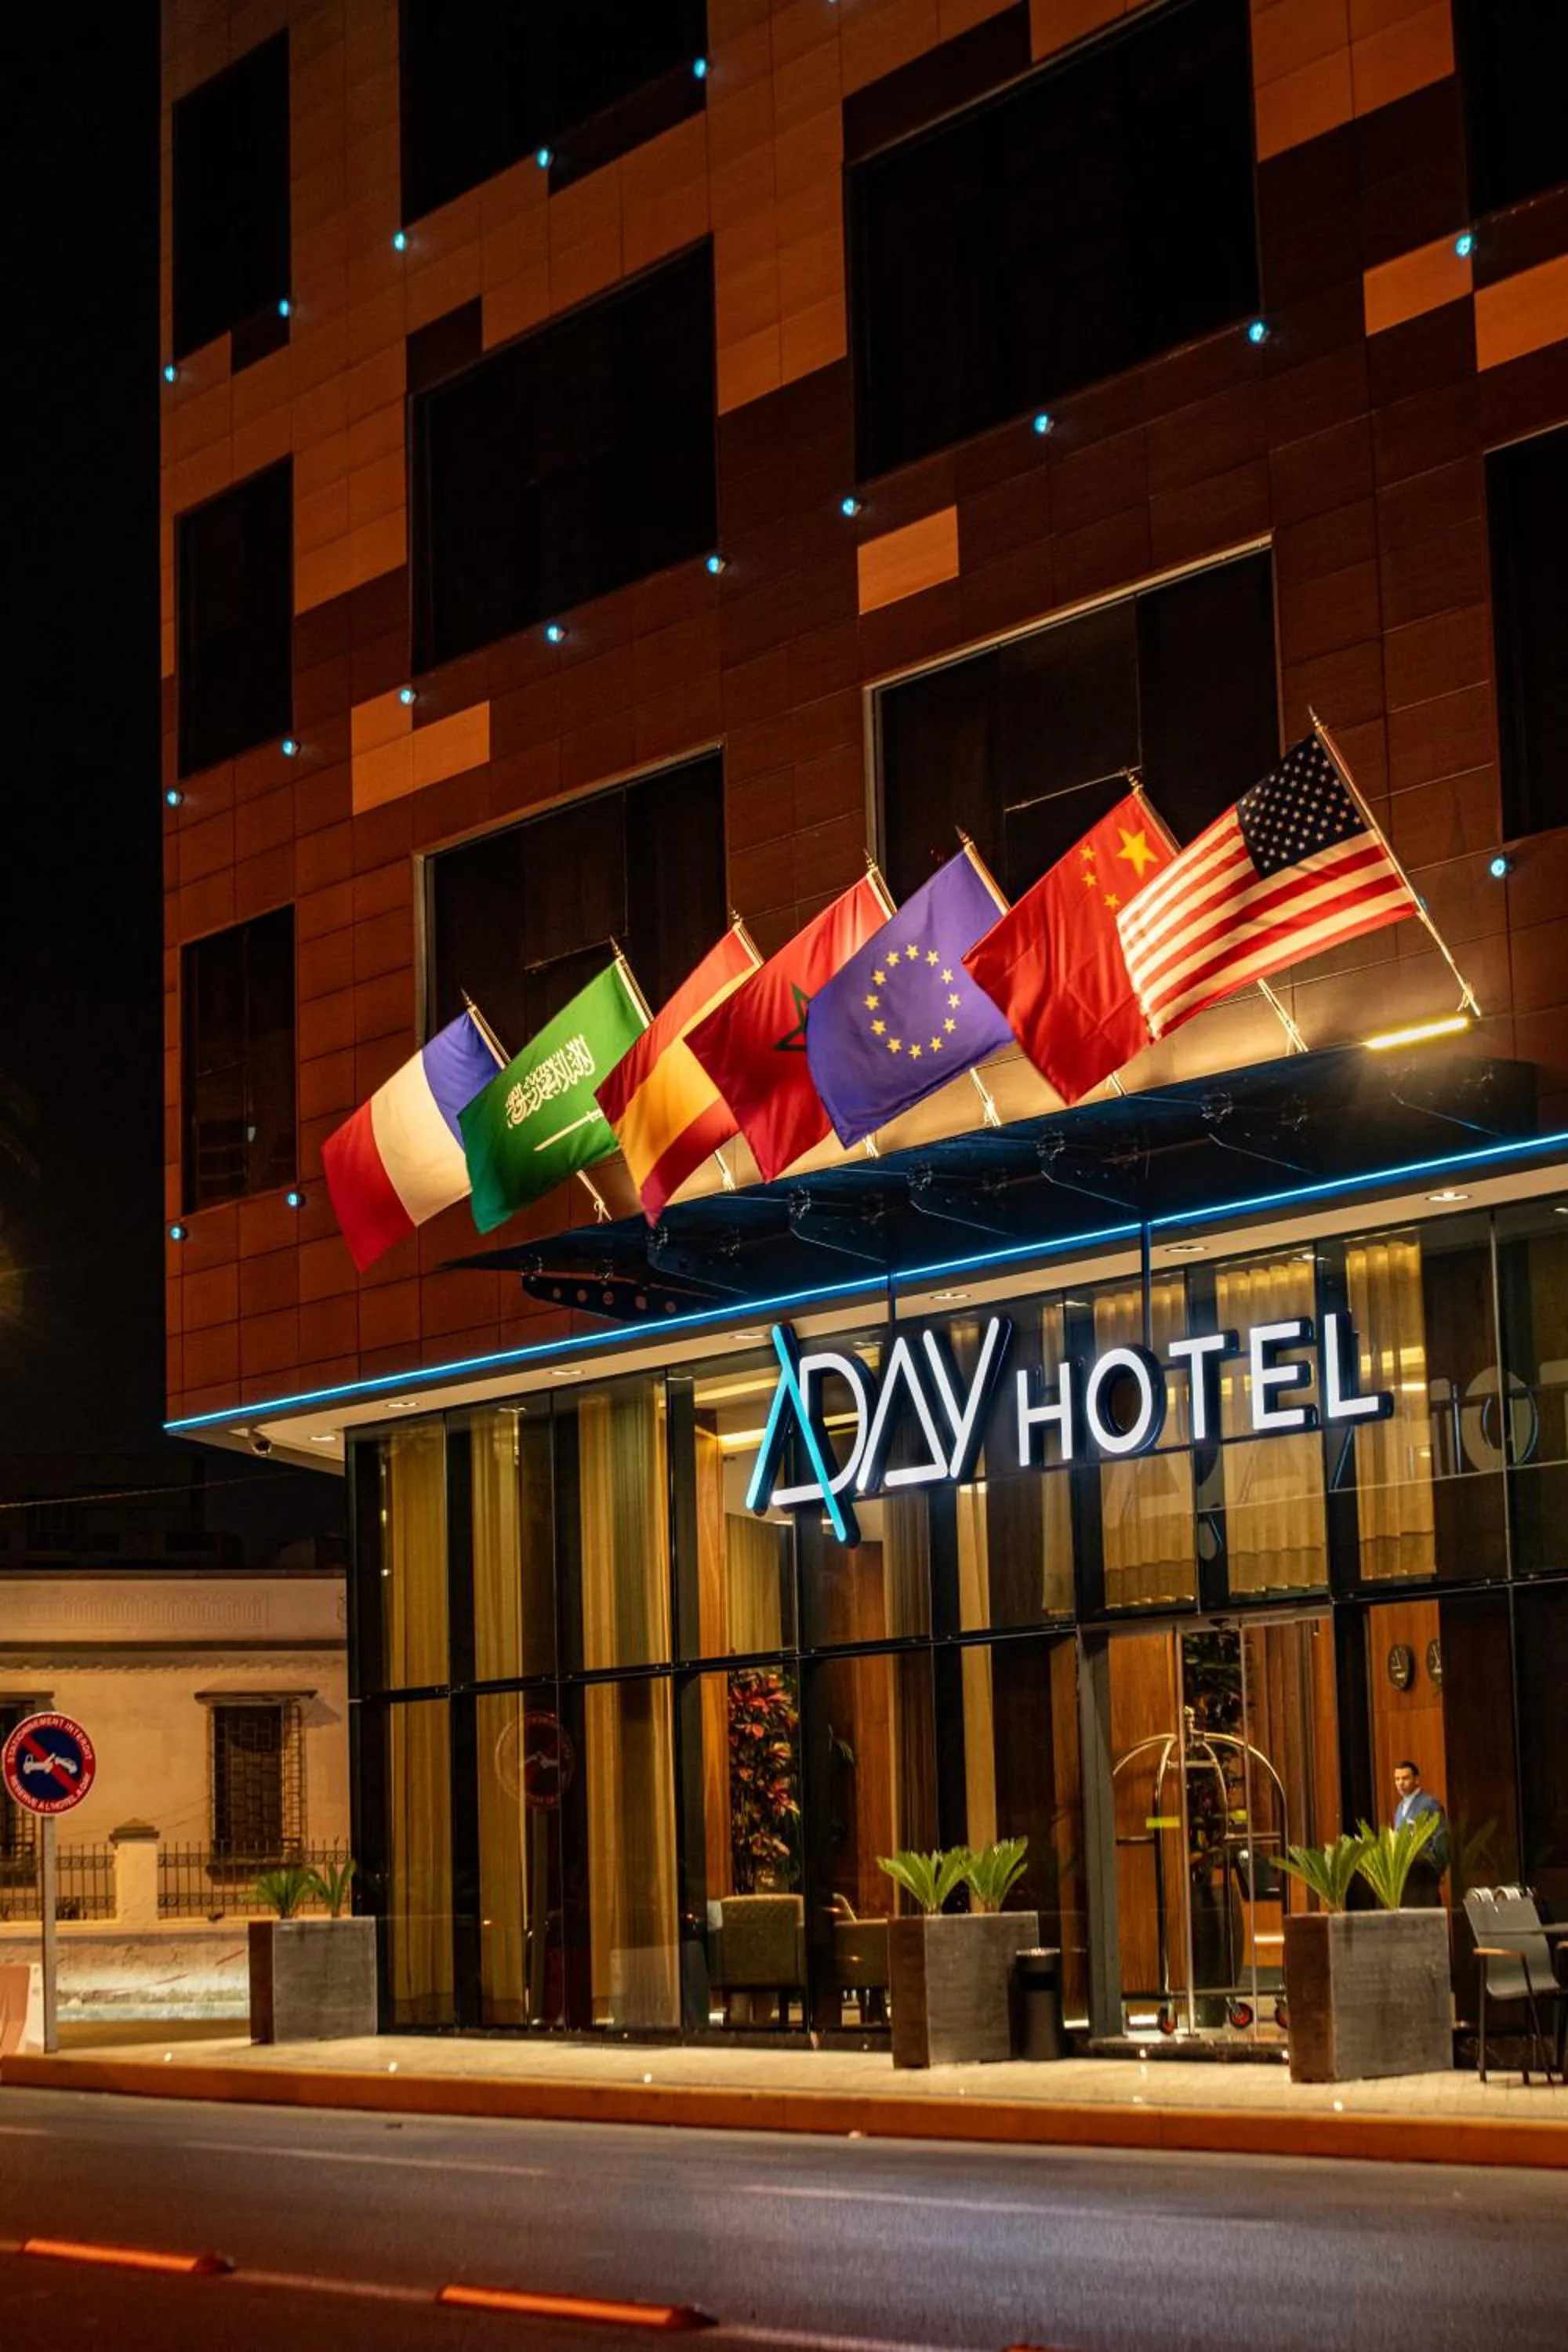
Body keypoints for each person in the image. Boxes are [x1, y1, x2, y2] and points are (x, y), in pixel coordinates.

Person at [1392, 1759, 1449, 1904]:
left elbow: (1440, 1838)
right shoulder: (1399, 1809)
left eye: (1405, 1778)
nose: (1400, 1783)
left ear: (1416, 1779)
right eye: (1397, 1779)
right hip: (1406, 1877)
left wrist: (1438, 1870)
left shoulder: (1430, 1804)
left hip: (1425, 1873)